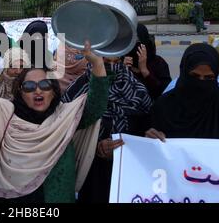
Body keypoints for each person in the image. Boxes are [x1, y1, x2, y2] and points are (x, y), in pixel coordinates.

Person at [0, 39, 109, 203]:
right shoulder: (5, 117)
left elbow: (96, 106)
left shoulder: (66, 118)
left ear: (54, 90)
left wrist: (98, 64)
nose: (38, 90)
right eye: (29, 87)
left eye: (45, 84)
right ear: (20, 92)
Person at [62, 58, 152, 203]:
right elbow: (65, 130)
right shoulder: (78, 89)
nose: (109, 65)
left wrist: (126, 146)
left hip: (128, 174)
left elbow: (146, 130)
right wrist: (95, 145)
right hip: (89, 173)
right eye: (103, 60)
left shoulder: (137, 90)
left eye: (114, 59)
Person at [146, 43, 219, 141]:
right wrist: (151, 138)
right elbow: (151, 145)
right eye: (194, 76)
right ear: (184, 73)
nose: (200, 83)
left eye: (208, 77)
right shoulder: (163, 106)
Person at [124, 23, 171, 100]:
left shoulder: (159, 63)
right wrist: (122, 72)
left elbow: (166, 93)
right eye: (130, 42)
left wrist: (145, 71)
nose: (133, 47)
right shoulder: (120, 62)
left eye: (137, 42)